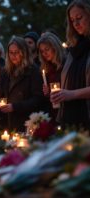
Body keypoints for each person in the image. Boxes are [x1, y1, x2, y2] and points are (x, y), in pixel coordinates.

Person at [51, 0, 90, 129]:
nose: (76, 23)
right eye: (73, 20)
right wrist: (59, 93)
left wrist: (71, 94)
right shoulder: (73, 48)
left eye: (79, 18)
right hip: (71, 118)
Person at [0, 36, 44, 132]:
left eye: (17, 52)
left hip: (27, 122)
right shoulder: (6, 72)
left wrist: (15, 107)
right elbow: (3, 93)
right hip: (9, 122)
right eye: (11, 52)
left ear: (24, 52)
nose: (13, 55)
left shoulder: (33, 71)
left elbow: (38, 99)